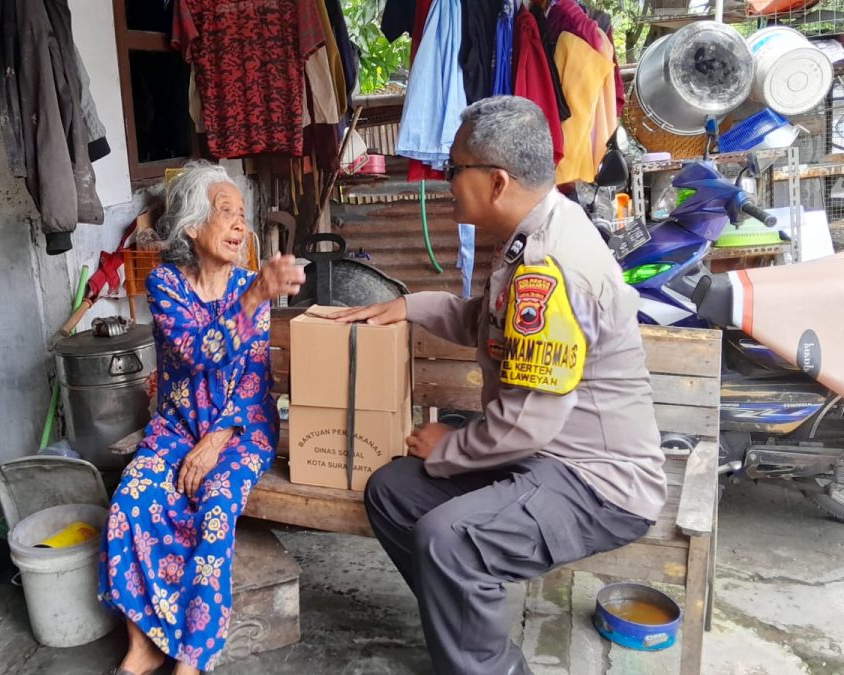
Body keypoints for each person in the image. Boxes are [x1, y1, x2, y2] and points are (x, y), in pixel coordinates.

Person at [332, 96, 667, 674]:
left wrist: (449, 448)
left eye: (452, 169)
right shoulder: (527, 238)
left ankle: (488, 664)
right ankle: (469, 636)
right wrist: (406, 305)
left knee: (448, 538)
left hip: (597, 481)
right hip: (539, 454)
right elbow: (484, 322)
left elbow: (525, 422)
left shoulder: (551, 265)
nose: (445, 182)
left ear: (495, 181)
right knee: (392, 492)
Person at [100, 161, 305, 675]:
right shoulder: (166, 284)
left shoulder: (247, 288)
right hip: (174, 427)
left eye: (243, 214)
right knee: (131, 500)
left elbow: (255, 382)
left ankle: (191, 658)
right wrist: (258, 292)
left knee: (214, 510)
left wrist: (217, 438)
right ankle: (143, 644)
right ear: (193, 226)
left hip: (240, 429)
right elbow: (196, 352)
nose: (241, 224)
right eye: (226, 212)